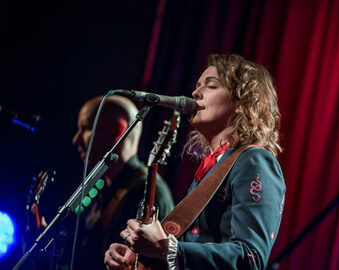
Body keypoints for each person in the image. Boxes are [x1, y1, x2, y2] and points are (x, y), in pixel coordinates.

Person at [104, 54, 286, 269]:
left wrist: (165, 248)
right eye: (197, 85)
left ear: (242, 102)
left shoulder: (254, 160)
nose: (195, 93)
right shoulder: (211, 168)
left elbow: (251, 257)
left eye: (211, 86)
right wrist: (138, 262)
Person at [70, 95, 175, 269]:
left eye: (87, 128)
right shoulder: (103, 187)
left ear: (118, 130)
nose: (76, 139)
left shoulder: (150, 191)